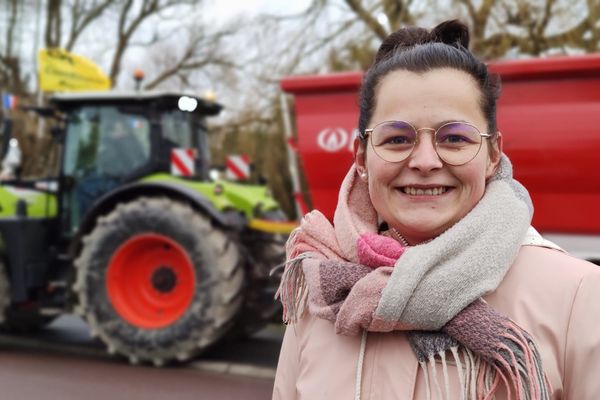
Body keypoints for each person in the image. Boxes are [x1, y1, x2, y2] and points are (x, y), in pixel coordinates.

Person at [273, 20, 600, 400]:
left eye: (455, 138)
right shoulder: (318, 293)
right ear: (362, 157)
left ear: (492, 155)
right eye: (397, 139)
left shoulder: (577, 296)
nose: (425, 160)